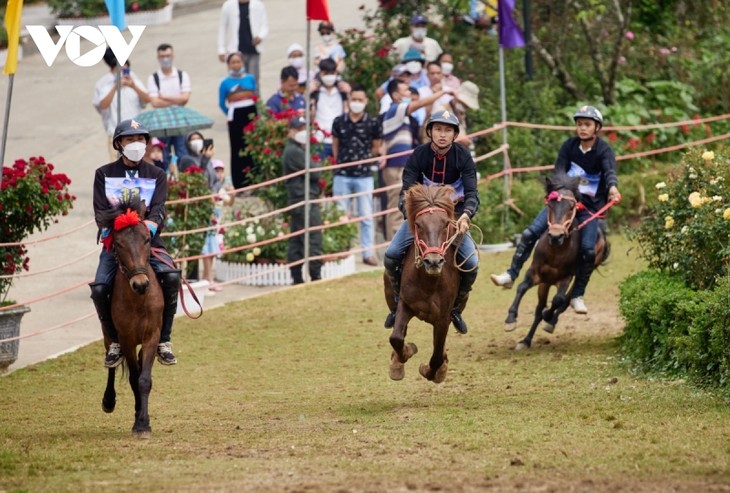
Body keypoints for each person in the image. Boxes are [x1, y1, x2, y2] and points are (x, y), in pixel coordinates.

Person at [490, 105, 622, 314]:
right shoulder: (568, 146)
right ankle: (511, 274)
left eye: (587, 124)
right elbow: (559, 170)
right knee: (530, 233)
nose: (582, 128)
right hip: (564, 202)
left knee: (588, 250)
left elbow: (609, 172)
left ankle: (577, 294)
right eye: (579, 124)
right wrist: (562, 190)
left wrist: (613, 187)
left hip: (589, 208)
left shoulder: (604, 150)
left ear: (597, 127)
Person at [90, 119, 180, 368]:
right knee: (99, 289)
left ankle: (164, 339)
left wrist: (146, 228)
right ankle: (115, 341)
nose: (136, 144)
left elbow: (159, 210)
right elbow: (100, 213)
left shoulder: (157, 174)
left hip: (147, 240)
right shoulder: (103, 174)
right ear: (119, 143)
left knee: (172, 277)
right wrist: (122, 225)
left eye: (140, 139)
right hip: (117, 243)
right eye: (130, 139)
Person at [383, 110, 479, 334]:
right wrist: (414, 216)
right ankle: (398, 302)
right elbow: (405, 192)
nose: (442, 134)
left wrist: (466, 215)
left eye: (447, 130)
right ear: (430, 132)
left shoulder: (463, 157)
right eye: (438, 129)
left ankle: (455, 308)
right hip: (421, 219)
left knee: (472, 263)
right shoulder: (418, 155)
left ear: (455, 134)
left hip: (452, 219)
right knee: (391, 255)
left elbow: (472, 194)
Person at [380, 78, 454, 240]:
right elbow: (421, 103)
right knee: (395, 205)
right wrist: (441, 92)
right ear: (395, 95)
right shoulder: (395, 109)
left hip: (403, 165)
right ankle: (394, 243)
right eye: (405, 90)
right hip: (395, 166)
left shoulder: (404, 117)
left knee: (406, 203)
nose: (409, 93)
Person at [331, 84, 383, 266]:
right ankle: (339, 250)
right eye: (354, 99)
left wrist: (365, 160)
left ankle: (368, 253)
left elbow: (376, 148)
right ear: (348, 100)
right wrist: (339, 163)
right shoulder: (338, 121)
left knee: (366, 216)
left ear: (366, 102)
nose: (357, 103)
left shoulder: (373, 123)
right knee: (339, 215)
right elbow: (335, 145)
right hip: (342, 174)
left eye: (360, 100)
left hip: (364, 175)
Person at [282, 116, 323, 284]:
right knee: (312, 237)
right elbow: (315, 172)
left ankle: (298, 276)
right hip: (302, 199)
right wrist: (316, 165)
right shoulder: (294, 151)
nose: (302, 132)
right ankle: (314, 275)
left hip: (301, 198)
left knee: (298, 238)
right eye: (298, 129)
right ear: (291, 131)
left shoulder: (298, 149)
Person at [92, 48, 149, 162]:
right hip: (116, 133)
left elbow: (147, 99)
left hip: (137, 132)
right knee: (118, 166)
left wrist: (133, 86)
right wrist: (115, 86)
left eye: (126, 69)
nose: (124, 72)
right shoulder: (105, 85)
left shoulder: (134, 81)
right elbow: (102, 105)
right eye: (121, 69)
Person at [217, 51, 257, 189]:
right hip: (235, 117)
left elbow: (255, 95)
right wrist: (230, 113)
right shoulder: (225, 83)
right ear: (228, 65)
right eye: (233, 62)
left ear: (242, 63)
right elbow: (222, 103)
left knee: (253, 147)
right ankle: (240, 184)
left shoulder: (250, 78)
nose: (236, 65)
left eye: (238, 62)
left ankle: (255, 181)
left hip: (251, 115)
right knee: (238, 149)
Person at [146, 43, 192, 164]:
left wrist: (165, 97)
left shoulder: (182, 75)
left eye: (168, 55)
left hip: (180, 121)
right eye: (162, 56)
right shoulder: (153, 78)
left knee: (182, 154)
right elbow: (155, 102)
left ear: (173, 56)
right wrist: (176, 100)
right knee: (162, 156)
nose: (165, 59)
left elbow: (185, 99)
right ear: (158, 57)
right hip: (162, 123)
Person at [217, 0, 269, 88]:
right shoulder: (228, 6)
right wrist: (221, 49)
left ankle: (255, 100)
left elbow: (264, 25)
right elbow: (222, 27)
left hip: (253, 49)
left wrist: (260, 36)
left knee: (253, 80)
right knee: (236, 80)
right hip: (236, 52)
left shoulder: (258, 5)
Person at [201, 159, 234, 294]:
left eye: (221, 171)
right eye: (216, 171)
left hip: (216, 225)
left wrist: (233, 195)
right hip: (209, 222)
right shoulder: (209, 189)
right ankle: (209, 279)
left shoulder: (220, 188)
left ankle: (206, 278)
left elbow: (229, 203)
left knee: (213, 250)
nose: (219, 174)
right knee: (208, 251)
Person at [310, 57, 348, 161]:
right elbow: (308, 112)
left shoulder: (342, 91)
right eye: (326, 73)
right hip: (320, 140)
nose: (329, 76)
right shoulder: (316, 92)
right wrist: (308, 93)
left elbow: (348, 111)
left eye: (332, 73)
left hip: (338, 139)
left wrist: (349, 92)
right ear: (321, 74)